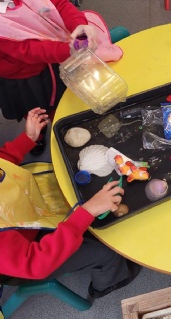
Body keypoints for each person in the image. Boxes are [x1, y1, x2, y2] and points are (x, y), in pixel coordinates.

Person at [0, 107, 140, 298]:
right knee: (105, 253)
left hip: (27, 212)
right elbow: (35, 264)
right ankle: (107, 284)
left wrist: (27, 138)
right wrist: (87, 212)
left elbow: (3, 165)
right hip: (28, 257)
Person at [0, 0, 122, 155]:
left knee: (59, 99)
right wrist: (68, 50)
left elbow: (58, 3)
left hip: (55, 55)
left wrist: (79, 24)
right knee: (35, 109)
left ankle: (61, 120)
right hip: (23, 75)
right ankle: (36, 136)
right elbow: (28, 51)